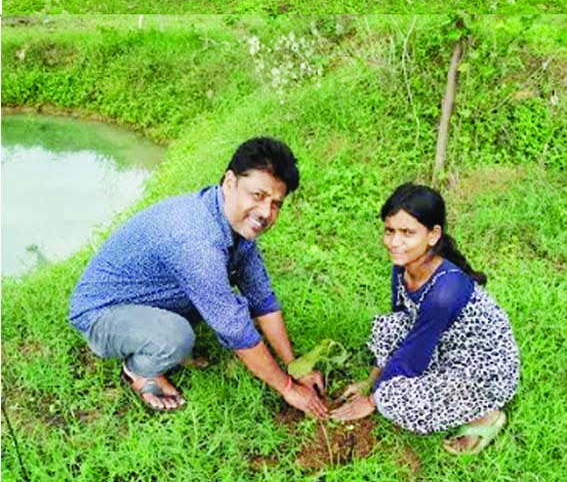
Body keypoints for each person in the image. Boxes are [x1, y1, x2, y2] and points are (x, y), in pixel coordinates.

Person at [69, 137, 328, 418]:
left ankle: (164, 336)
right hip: (101, 313)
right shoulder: (196, 241)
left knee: (219, 299)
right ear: (229, 182)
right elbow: (234, 328)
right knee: (177, 337)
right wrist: (288, 388)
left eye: (276, 204)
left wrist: (294, 366)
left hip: (150, 299)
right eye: (258, 196)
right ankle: (140, 372)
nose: (266, 213)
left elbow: (261, 299)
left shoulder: (235, 224)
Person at [332, 183, 520, 456]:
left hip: (482, 370)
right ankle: (397, 385)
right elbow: (402, 322)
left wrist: (372, 400)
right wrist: (372, 380)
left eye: (407, 233)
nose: (394, 242)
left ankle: (486, 416)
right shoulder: (403, 266)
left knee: (393, 401)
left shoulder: (446, 289)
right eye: (390, 230)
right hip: (443, 345)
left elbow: (413, 356)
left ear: (433, 235)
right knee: (389, 327)